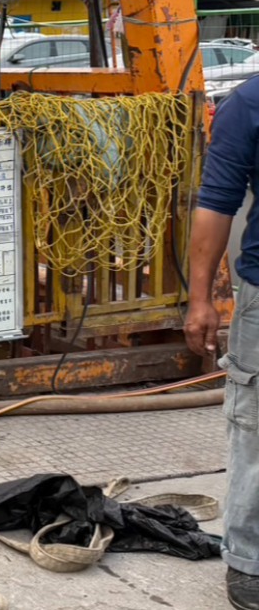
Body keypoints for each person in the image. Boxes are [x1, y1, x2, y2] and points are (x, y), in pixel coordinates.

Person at [184, 76, 259, 610]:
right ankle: (249, 560)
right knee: (255, 427)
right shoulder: (250, 104)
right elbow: (217, 203)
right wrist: (200, 298)